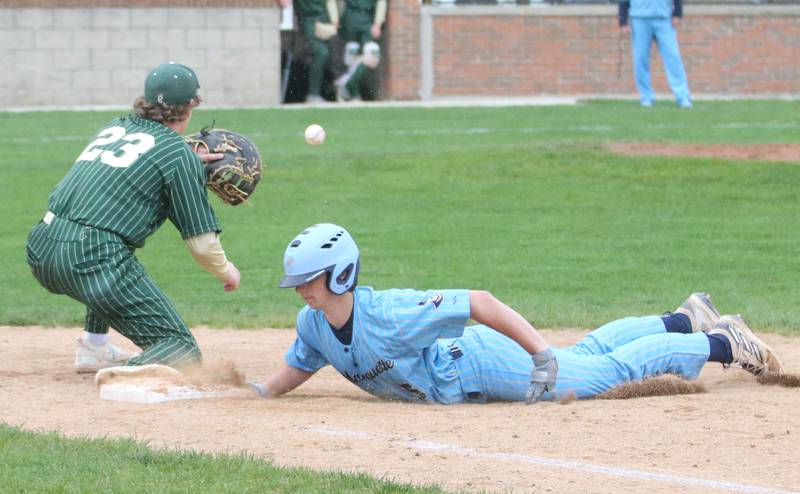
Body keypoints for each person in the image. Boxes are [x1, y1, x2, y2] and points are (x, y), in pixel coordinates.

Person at [248, 223, 783, 404]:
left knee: (603, 376)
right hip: (468, 372)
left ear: (340, 274)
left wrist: (541, 355)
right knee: (591, 352)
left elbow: (479, 301)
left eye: (308, 281)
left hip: (480, 366)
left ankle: (724, 343)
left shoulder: (389, 313)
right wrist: (261, 394)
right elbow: (303, 361)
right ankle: (681, 319)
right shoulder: (313, 322)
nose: (300, 291)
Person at [26, 62, 241, 373]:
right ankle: (121, 375)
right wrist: (227, 272)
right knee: (181, 350)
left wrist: (183, 159)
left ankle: (94, 346)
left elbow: (138, 164)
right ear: (191, 106)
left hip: (42, 248)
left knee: (109, 240)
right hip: (90, 258)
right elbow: (203, 245)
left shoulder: (115, 127)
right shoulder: (179, 157)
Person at [618, 0, 692, 108]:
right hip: (639, 19)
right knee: (640, 59)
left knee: (673, 57)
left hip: (664, 20)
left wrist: (678, 14)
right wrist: (623, 22)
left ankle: (683, 96)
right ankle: (646, 97)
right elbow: (623, 1)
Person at [282, 0, 340, 103]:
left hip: (324, 20)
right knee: (321, 53)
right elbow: (284, 3)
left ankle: (325, 93)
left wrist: (334, 20)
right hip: (308, 21)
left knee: (326, 55)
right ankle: (313, 94)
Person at [335, 0, 387, 102]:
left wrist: (377, 23)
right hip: (350, 19)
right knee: (351, 57)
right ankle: (354, 94)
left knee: (371, 55)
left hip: (368, 19)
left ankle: (347, 85)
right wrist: (338, 19)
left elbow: (381, 2)